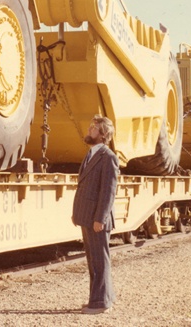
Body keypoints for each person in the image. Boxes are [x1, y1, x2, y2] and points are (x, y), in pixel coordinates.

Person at [72, 114, 120, 314]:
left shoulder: (109, 157)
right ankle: (100, 298)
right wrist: (78, 214)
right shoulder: (91, 153)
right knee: (94, 262)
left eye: (94, 128)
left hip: (97, 219)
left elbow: (108, 191)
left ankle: (100, 304)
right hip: (87, 217)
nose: (89, 130)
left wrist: (100, 218)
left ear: (103, 135)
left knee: (100, 261)